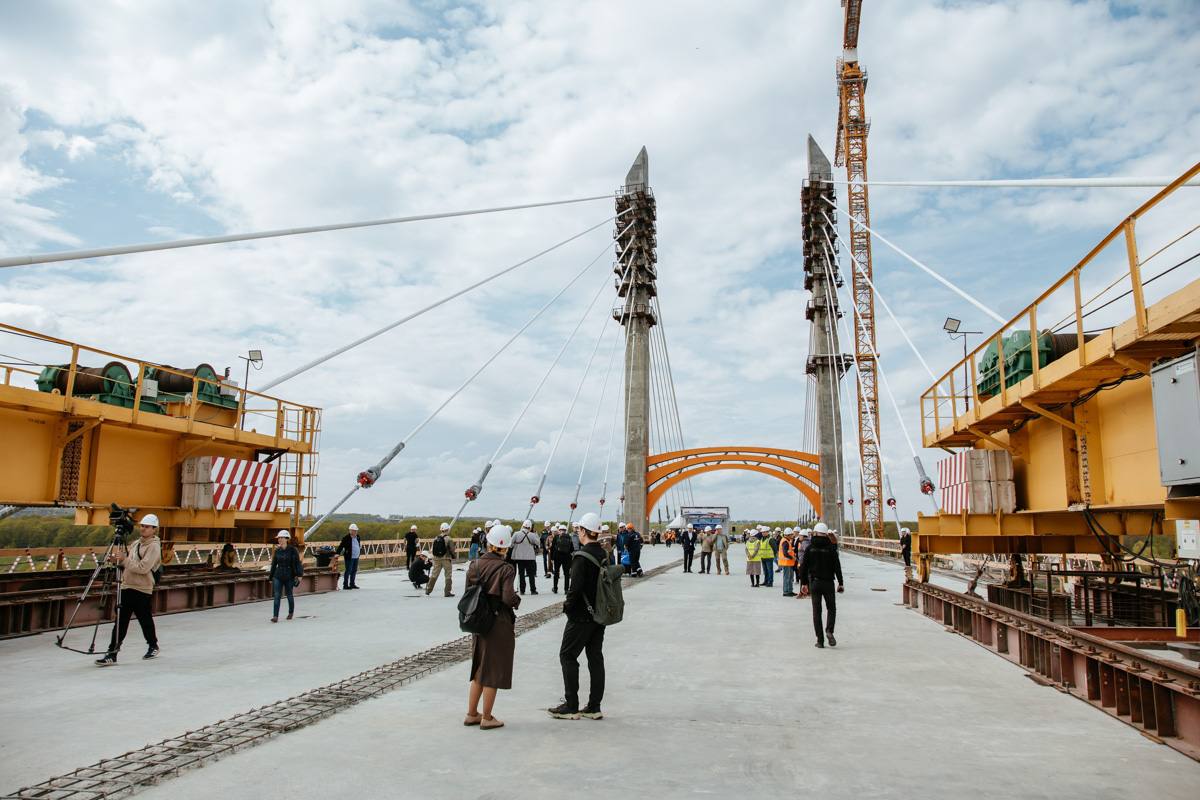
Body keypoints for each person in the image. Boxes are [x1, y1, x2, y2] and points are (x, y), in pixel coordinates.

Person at [549, 512, 609, 720]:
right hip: (599, 616)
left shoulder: (581, 557)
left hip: (580, 617)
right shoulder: (605, 555)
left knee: (567, 655)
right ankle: (594, 706)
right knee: (595, 659)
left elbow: (574, 590)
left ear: (583, 531)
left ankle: (571, 705)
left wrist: (567, 606)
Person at [465, 524, 521, 730]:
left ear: (488, 544)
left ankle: (472, 713)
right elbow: (507, 597)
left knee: (480, 666)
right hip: (498, 622)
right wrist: (517, 601)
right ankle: (487, 717)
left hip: (478, 622)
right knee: (493, 669)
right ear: (505, 548)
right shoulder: (506, 568)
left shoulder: (474, 565)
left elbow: (468, 593)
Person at [95, 513, 162, 665]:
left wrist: (124, 560)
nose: (143, 529)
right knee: (120, 622)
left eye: (147, 527)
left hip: (142, 588)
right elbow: (128, 562)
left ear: (154, 529)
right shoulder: (136, 544)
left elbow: (144, 568)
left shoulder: (153, 547)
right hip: (127, 586)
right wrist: (117, 560)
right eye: (142, 526)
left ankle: (153, 645)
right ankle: (112, 654)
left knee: (145, 620)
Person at [799, 522, 845, 648]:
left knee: (816, 612)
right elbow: (837, 567)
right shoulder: (831, 549)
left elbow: (804, 567)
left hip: (815, 582)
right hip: (828, 582)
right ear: (826, 534)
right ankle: (829, 630)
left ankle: (820, 640)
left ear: (814, 533)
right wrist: (841, 583)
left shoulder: (810, 548)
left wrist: (804, 583)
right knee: (831, 608)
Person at [268, 530, 304, 622]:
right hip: (278, 576)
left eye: (282, 538)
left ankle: (290, 613)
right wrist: (270, 577)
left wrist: (300, 575)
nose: (280, 540)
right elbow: (274, 564)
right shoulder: (277, 551)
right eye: (279, 538)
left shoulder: (293, 550)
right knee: (277, 595)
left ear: (286, 539)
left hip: (289, 576)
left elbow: (297, 563)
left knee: (289, 595)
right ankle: (275, 616)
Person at [510, 520, 540, 595]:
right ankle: (533, 589)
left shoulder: (516, 534)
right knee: (531, 574)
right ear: (529, 527)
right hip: (530, 557)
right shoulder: (532, 535)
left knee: (521, 574)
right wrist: (536, 535)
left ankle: (522, 590)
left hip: (519, 557)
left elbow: (510, 544)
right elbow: (538, 542)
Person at [426, 522, 456, 597]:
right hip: (446, 559)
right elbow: (452, 549)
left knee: (434, 575)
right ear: (447, 529)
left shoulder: (436, 538)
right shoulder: (448, 539)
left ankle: (428, 590)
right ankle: (447, 592)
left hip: (437, 559)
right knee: (448, 575)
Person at [550, 523, 575, 594]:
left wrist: (552, 558)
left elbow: (552, 548)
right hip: (566, 557)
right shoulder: (569, 537)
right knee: (566, 574)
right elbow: (572, 549)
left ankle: (555, 588)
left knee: (556, 573)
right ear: (565, 530)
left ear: (559, 530)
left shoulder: (556, 537)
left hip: (557, 557)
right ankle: (566, 589)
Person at [336, 523, 362, 589]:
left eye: (356, 531)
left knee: (354, 570)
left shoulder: (358, 537)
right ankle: (345, 585)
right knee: (348, 570)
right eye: (354, 530)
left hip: (356, 557)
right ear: (350, 531)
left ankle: (352, 584)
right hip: (349, 557)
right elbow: (341, 546)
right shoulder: (346, 538)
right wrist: (337, 553)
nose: (355, 532)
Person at [777, 528, 797, 597]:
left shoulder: (786, 541)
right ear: (788, 535)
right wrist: (792, 557)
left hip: (788, 563)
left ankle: (790, 590)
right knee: (787, 577)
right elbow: (785, 553)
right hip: (786, 563)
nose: (792, 535)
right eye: (791, 534)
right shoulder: (785, 542)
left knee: (790, 577)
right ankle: (786, 591)